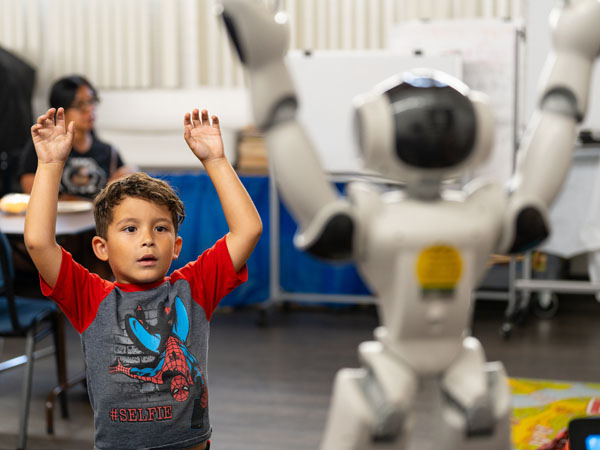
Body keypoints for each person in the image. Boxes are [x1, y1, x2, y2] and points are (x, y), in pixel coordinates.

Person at [23, 106, 262, 450]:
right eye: (130, 228)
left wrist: (216, 160)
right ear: (101, 247)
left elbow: (248, 229)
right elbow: (38, 243)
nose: (147, 239)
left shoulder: (193, 288)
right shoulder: (90, 296)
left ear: (176, 245)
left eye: (160, 228)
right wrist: (49, 165)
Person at [18, 75, 134, 199]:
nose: (89, 109)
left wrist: (129, 176)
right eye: (79, 104)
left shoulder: (109, 152)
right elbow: (32, 193)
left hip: (94, 218)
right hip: (57, 218)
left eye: (91, 101)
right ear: (60, 110)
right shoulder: (44, 147)